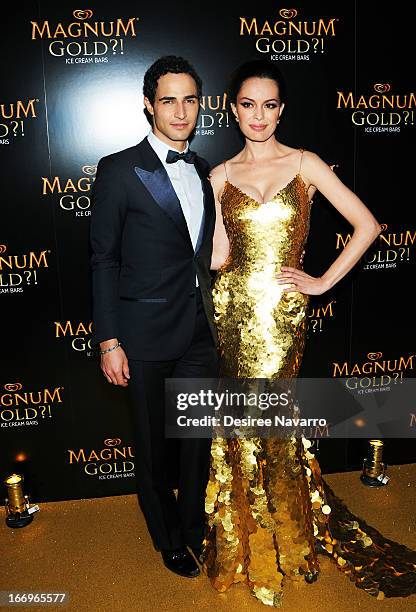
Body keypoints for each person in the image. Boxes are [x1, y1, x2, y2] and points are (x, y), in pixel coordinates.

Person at [202, 59, 416, 606]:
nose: (259, 116)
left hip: (282, 316)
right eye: (248, 104)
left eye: (269, 105)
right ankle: (245, 538)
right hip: (233, 312)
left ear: (282, 109)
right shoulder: (220, 176)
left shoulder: (305, 164)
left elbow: (367, 225)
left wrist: (321, 282)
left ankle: (289, 535)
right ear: (231, 108)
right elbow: (219, 257)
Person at [90, 56, 218, 579]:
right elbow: (104, 259)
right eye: (169, 100)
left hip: (198, 332)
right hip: (140, 335)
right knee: (152, 447)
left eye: (189, 99)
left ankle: (192, 528)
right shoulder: (119, 169)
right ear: (149, 105)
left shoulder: (205, 168)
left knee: (194, 444)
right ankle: (166, 538)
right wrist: (108, 340)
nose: (180, 110)